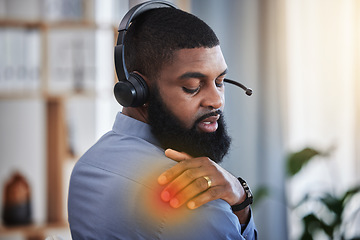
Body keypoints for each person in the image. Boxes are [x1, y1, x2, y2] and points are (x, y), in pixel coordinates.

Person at [68, 2, 257, 239]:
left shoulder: (86, 168)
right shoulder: (198, 205)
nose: (216, 101)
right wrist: (240, 202)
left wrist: (238, 196)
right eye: (192, 87)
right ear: (137, 90)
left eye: (219, 82)